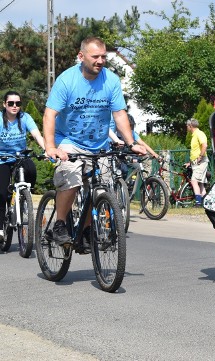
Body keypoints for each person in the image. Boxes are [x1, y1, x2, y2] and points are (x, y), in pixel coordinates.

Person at [43, 36, 146, 247]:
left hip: (99, 144)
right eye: (95, 56)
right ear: (81, 56)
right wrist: (51, 147)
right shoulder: (66, 80)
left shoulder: (111, 81)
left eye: (103, 56)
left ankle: (86, 229)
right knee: (71, 178)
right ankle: (60, 224)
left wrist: (130, 142)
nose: (100, 61)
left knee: (100, 189)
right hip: (69, 140)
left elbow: (119, 114)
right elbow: (49, 114)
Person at [0, 91, 46, 241]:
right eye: (11, 103)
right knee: (1, 192)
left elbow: (37, 135)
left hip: (20, 156)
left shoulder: (25, 118)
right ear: (4, 104)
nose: (14, 106)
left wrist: (47, 149)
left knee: (31, 169)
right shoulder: (0, 120)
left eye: (18, 103)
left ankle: (24, 197)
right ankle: (1, 227)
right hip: (2, 158)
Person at [186, 118, 208, 207]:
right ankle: (205, 203)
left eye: (187, 126)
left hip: (201, 162)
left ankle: (198, 203)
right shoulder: (194, 135)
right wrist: (190, 163)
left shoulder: (199, 133)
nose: (186, 128)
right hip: (197, 162)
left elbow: (204, 145)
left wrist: (200, 156)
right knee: (200, 183)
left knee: (194, 181)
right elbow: (195, 150)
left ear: (190, 126)